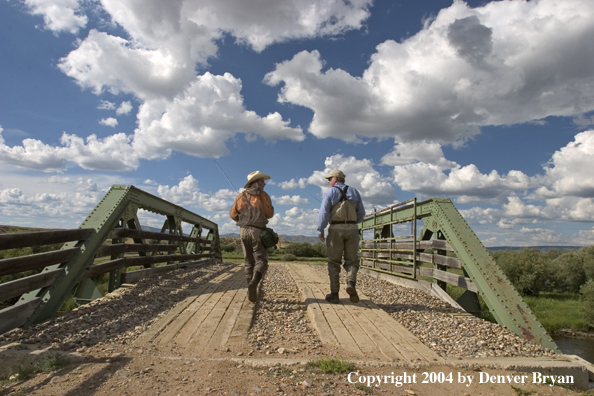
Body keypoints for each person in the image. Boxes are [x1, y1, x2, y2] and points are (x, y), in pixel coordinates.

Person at [317, 169, 365, 304]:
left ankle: (334, 294)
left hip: (336, 230)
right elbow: (361, 212)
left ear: (335, 179)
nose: (328, 181)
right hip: (352, 229)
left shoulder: (330, 192)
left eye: (329, 179)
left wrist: (320, 230)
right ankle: (350, 282)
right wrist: (353, 222)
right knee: (352, 261)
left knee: (334, 262)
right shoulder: (355, 192)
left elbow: (324, 213)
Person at [230, 170, 275, 302]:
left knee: (248, 260)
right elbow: (269, 213)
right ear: (255, 182)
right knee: (261, 260)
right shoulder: (264, 196)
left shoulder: (240, 196)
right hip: (258, 230)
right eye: (262, 180)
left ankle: (249, 285)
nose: (264, 183)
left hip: (243, 231)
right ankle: (254, 283)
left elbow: (233, 214)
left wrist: (243, 219)